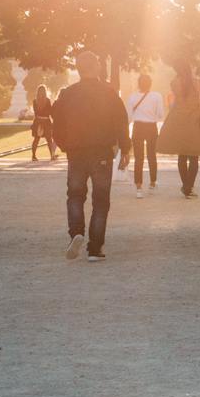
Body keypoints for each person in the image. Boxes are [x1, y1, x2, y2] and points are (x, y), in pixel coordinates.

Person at [51, 51, 129, 263]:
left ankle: (76, 232)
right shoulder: (108, 92)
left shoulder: (68, 94)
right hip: (101, 150)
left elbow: (56, 122)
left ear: (78, 69)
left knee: (75, 194)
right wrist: (125, 148)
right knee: (101, 200)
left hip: (76, 151)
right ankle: (95, 248)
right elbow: (121, 121)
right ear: (96, 67)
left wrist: (65, 144)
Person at [156, 60, 200, 199]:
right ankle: (188, 187)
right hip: (195, 122)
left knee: (182, 154)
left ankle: (186, 186)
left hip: (178, 122)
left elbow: (175, 100)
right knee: (194, 156)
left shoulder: (174, 83)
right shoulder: (199, 83)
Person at [124, 73, 164, 198]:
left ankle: (139, 188)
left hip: (138, 128)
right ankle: (152, 183)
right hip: (151, 127)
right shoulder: (157, 96)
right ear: (150, 84)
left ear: (138, 84)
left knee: (138, 158)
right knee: (152, 156)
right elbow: (160, 114)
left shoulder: (132, 97)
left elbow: (128, 118)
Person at [29, 84, 57, 161]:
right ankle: (52, 156)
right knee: (49, 140)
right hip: (46, 121)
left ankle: (33, 156)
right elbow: (50, 111)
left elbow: (35, 113)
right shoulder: (47, 100)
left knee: (36, 139)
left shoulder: (35, 101)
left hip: (37, 121)